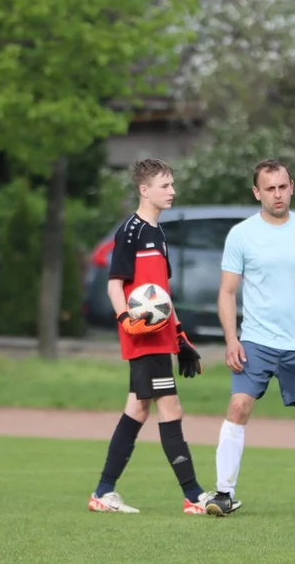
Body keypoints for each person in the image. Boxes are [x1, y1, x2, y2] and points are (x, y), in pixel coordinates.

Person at [204, 159, 295, 519]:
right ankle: (224, 494)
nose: (277, 194)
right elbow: (227, 292)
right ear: (256, 192)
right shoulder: (241, 235)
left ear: (292, 186)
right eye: (269, 188)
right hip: (257, 341)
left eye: (282, 186)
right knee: (239, 406)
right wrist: (232, 339)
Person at [88, 158, 212, 515]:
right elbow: (115, 285)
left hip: (161, 335)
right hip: (141, 334)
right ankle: (194, 495)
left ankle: (103, 491)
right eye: (164, 185)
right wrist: (126, 319)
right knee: (170, 407)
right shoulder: (131, 230)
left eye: (172, 184)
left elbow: (161, 295)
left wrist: (181, 338)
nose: (172, 191)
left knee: (139, 408)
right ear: (145, 190)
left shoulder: (158, 233)